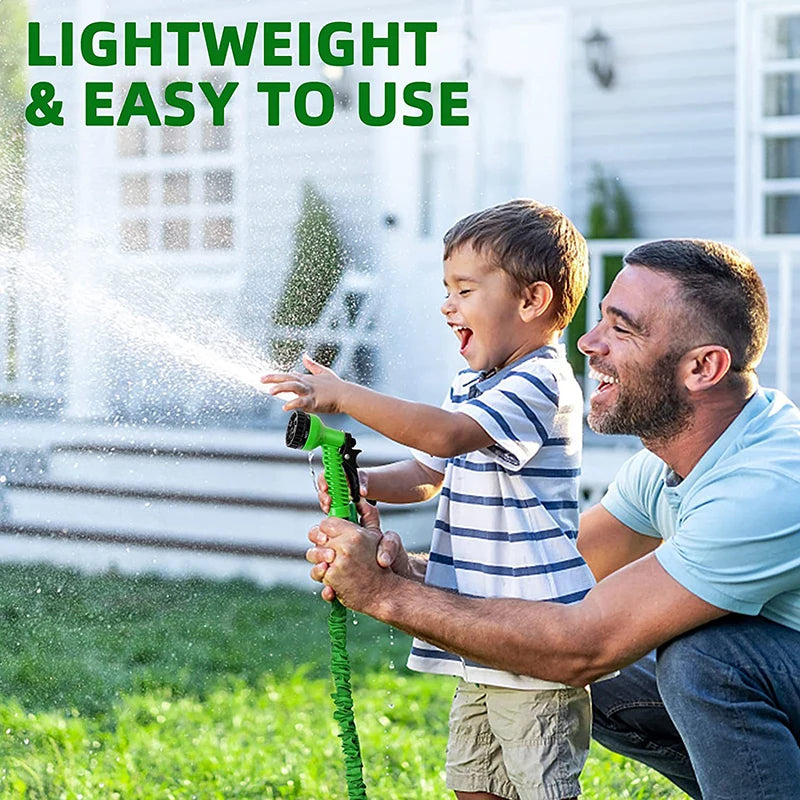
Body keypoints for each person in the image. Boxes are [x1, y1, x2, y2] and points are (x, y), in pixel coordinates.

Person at [304, 239, 800, 800]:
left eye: (621, 329)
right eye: (601, 320)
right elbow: (557, 579)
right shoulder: (667, 465)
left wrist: (384, 596)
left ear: (702, 367)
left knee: (700, 661)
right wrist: (400, 572)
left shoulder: (767, 485)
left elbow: (583, 645)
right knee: (588, 671)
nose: (588, 342)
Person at [263, 198, 596, 800]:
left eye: (464, 290)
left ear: (532, 300)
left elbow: (443, 436)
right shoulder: (473, 383)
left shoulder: (541, 380)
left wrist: (344, 396)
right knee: (474, 783)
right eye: (447, 290)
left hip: (533, 637)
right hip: (477, 630)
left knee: (538, 788)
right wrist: (365, 484)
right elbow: (428, 469)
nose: (447, 305)